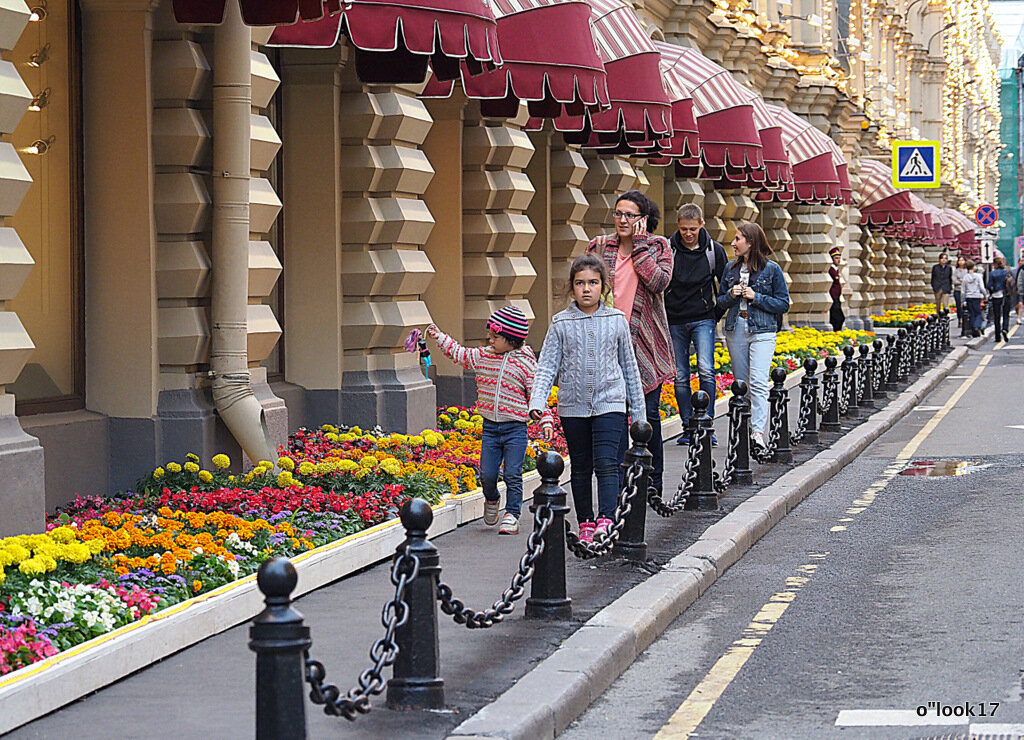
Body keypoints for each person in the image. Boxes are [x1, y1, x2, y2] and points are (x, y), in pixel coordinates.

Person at [529, 254, 646, 543]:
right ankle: (585, 522)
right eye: (580, 283)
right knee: (581, 467)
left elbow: (629, 367)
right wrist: (537, 402)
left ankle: (606, 518)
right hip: (573, 406)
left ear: (602, 286)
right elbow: (547, 365)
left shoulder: (616, 320)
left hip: (611, 403)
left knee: (607, 463)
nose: (586, 289)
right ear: (572, 287)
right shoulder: (560, 323)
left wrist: (640, 415)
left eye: (593, 283)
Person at [587, 190, 675, 500]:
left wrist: (639, 247)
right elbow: (585, 286)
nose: (622, 220)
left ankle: (652, 482)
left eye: (630, 215)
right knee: (613, 416)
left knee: (647, 416)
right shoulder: (599, 246)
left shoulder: (659, 246)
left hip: (644, 342)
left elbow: (659, 282)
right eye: (619, 214)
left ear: (644, 220)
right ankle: (625, 484)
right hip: (606, 344)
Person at [427, 305, 536, 535]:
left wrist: (542, 416)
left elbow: (536, 393)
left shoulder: (526, 364)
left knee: (513, 473)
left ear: (512, 339)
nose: (491, 340)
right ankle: (492, 498)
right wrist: (440, 337)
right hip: (490, 428)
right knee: (487, 474)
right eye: (490, 336)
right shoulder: (483, 356)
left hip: (516, 427)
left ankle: (512, 515)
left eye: (496, 337)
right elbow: (460, 353)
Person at [717, 222, 791, 449]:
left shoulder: (772, 270)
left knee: (758, 382)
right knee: (742, 385)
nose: (733, 243)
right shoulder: (730, 269)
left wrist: (755, 296)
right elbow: (719, 302)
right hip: (736, 328)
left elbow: (783, 303)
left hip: (763, 330)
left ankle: (758, 433)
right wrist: (731, 294)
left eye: (737, 239)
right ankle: (745, 430)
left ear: (750, 242)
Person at [664, 204, 727, 446]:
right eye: (683, 229)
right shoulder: (669, 250)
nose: (688, 234)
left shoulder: (714, 251)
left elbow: (725, 285)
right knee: (680, 376)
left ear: (702, 224)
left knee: (706, 369)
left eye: (692, 228)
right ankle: (688, 426)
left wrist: (715, 313)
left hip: (703, 318)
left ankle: (706, 425)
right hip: (675, 319)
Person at [961, 259, 987, 338]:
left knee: (971, 314)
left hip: (969, 297)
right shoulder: (978, 276)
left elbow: (963, 290)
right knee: (978, 313)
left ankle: (973, 329)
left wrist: (962, 300)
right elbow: (982, 287)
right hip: (976, 296)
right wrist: (985, 295)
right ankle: (976, 326)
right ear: (973, 267)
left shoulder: (965, 277)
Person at [987, 255, 1008, 342]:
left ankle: (997, 336)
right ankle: (1005, 328)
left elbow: (988, 285)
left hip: (996, 295)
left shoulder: (992, 273)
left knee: (997, 316)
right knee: (1006, 314)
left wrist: (992, 291)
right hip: (1006, 295)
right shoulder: (1006, 272)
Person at [827, 246, 845, 332]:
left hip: (837, 298)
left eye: (839, 258)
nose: (838, 260)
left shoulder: (836, 269)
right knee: (838, 318)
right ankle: (836, 333)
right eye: (836, 258)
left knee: (838, 318)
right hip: (833, 298)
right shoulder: (831, 270)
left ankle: (837, 333)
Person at [952, 255, 967, 336]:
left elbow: (966, 280)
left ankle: (965, 321)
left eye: (962, 260)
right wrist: (961, 281)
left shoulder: (966, 271)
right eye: (960, 260)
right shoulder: (955, 271)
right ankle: (959, 319)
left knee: (964, 306)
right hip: (957, 290)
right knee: (958, 306)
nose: (961, 262)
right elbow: (954, 281)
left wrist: (960, 280)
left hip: (965, 291)